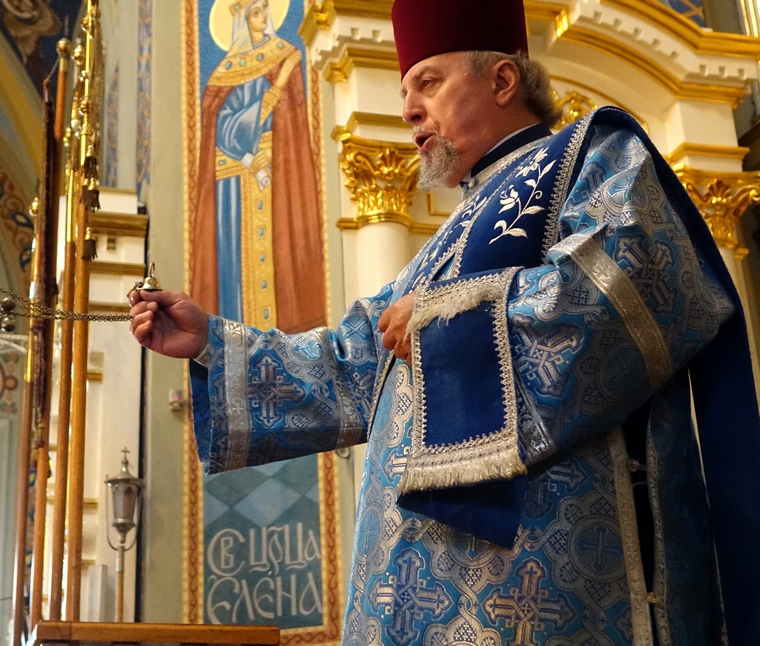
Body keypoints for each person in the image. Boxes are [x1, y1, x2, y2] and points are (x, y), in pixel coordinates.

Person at [130, 0, 760, 642]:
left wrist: (444, 325)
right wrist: (212, 341)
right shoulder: (445, 242)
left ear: (503, 80)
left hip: (543, 589)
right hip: (417, 599)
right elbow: (351, 367)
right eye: (405, 90)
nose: (408, 109)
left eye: (428, 82)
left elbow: (627, 292)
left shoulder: (592, 155)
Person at [191, 0, 325, 333]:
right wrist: (249, 157)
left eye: (265, 9)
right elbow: (219, 127)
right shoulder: (225, 70)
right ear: (240, 19)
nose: (263, 17)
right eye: (256, 11)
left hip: (276, 170)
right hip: (234, 182)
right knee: (235, 268)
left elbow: (291, 120)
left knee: (280, 255)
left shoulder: (285, 54)